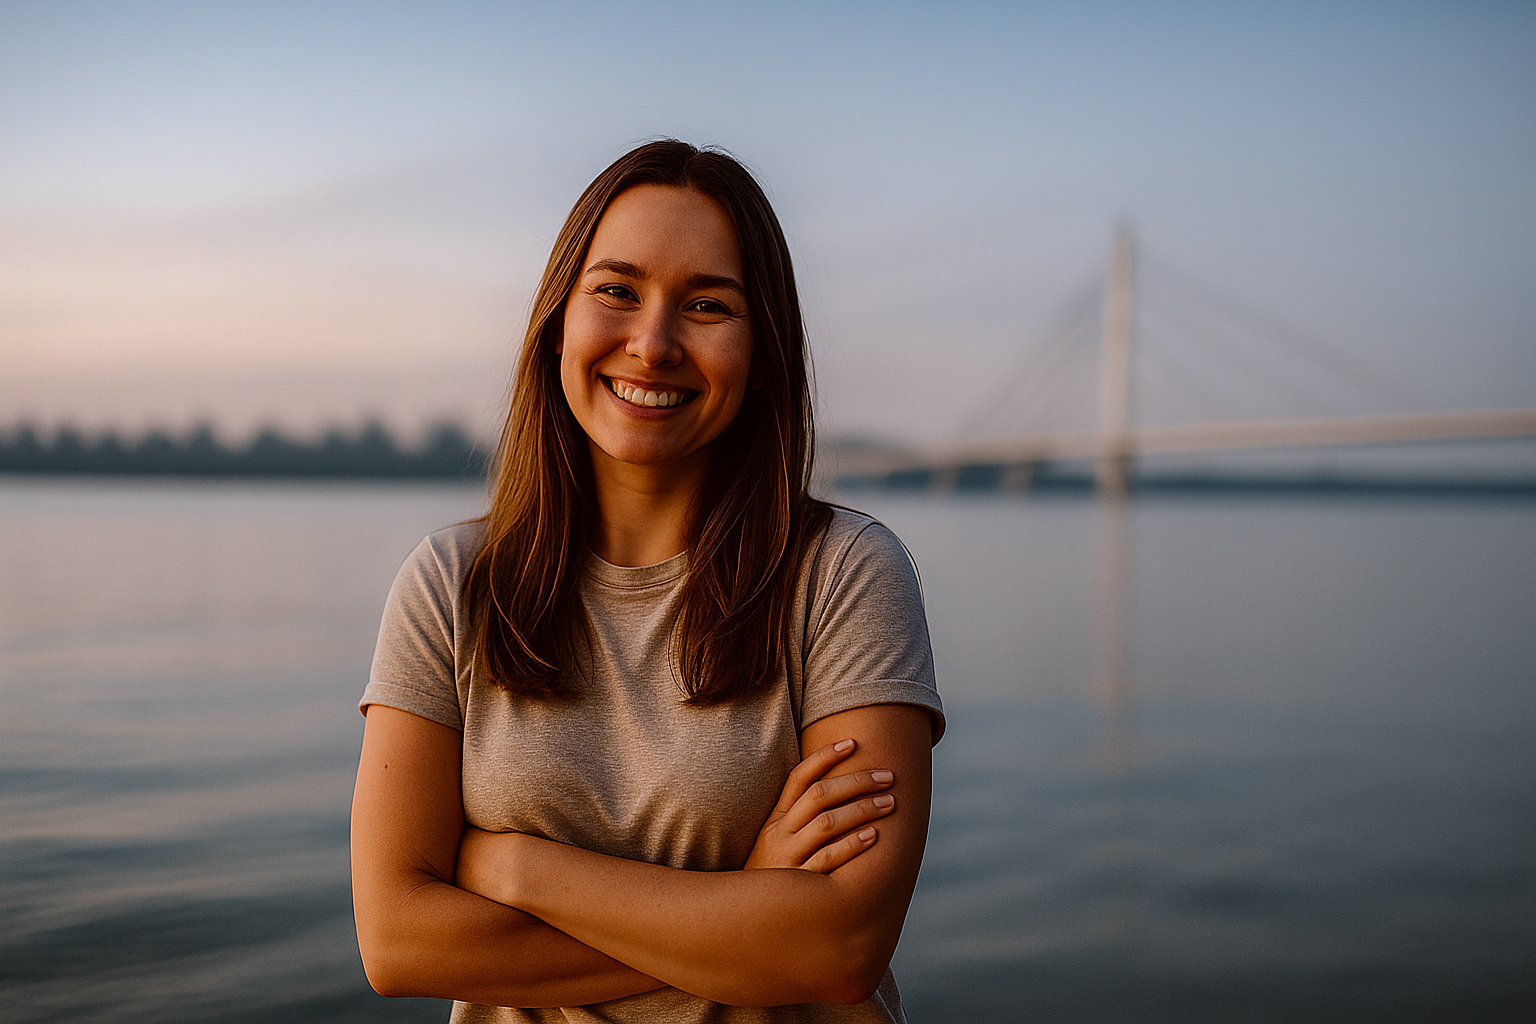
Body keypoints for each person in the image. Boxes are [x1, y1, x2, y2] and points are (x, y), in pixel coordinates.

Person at [351, 139, 944, 1023]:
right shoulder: (451, 585)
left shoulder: (845, 577)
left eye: (707, 305)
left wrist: (514, 867)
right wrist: (744, 909)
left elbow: (836, 949)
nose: (653, 343)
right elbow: (400, 944)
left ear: (763, 346)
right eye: (617, 291)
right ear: (558, 321)